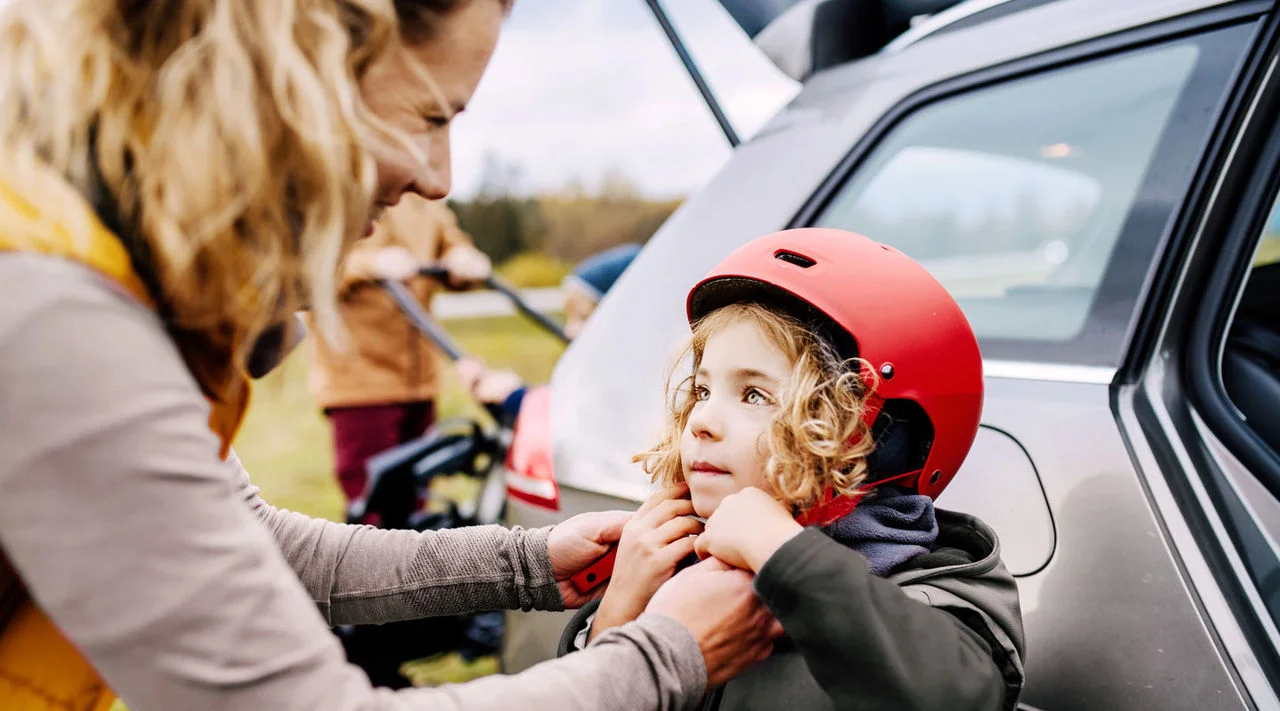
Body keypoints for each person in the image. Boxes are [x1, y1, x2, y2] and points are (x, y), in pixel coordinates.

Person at [0, 1, 780, 710]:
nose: (438, 178)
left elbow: (260, 546)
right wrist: (664, 656)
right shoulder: (51, 322)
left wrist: (528, 562)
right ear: (291, 85)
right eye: (429, 116)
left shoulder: (101, 275)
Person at [558, 228, 1027, 710]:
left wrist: (781, 551)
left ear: (874, 437)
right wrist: (617, 614)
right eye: (701, 391)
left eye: (754, 395)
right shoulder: (673, 567)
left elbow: (958, 695)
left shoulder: (936, 587)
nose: (700, 421)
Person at [309, 193, 492, 507]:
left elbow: (451, 241)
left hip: (419, 380)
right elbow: (309, 264)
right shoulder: (336, 187)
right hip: (360, 382)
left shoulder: (423, 199)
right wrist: (371, 263)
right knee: (371, 502)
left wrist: (463, 257)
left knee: (417, 495)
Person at [456, 242, 642, 420]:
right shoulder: (603, 374)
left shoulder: (627, 386)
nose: (569, 331)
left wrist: (518, 398)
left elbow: (574, 423)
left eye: (583, 317)